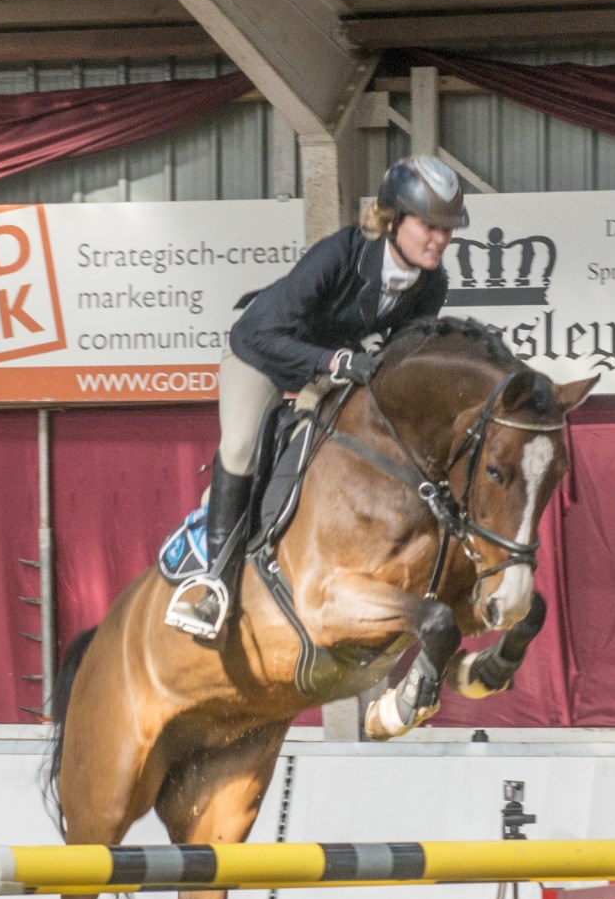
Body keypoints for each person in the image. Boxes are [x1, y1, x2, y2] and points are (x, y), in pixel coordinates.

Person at [166, 155, 468, 639]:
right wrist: (336, 362)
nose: (440, 239)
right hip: (263, 355)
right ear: (393, 219)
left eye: (447, 229)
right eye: (429, 226)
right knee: (241, 447)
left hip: (330, 369)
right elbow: (265, 334)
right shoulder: (339, 255)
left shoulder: (432, 284)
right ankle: (213, 588)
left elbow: (403, 354)